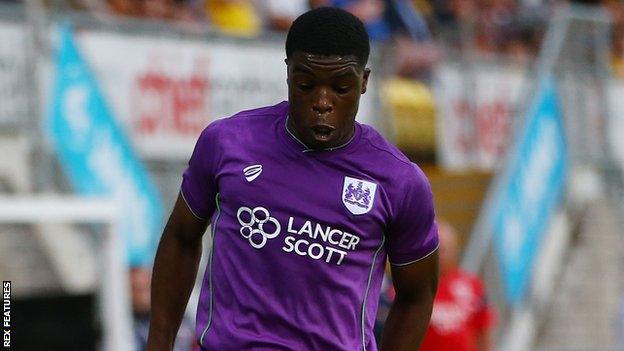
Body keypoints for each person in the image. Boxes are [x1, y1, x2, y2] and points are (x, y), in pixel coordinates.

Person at [147, 7, 439, 351]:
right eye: (305, 84)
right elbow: (181, 237)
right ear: (288, 73)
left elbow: (417, 295)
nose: (322, 102)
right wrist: (158, 344)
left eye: (341, 87)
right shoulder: (228, 142)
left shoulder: (399, 182)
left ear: (364, 81)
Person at [419, 221, 495, 351]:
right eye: (433, 250)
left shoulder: (473, 285)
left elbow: (482, 330)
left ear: (455, 250)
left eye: (443, 250)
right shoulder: (411, 289)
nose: (437, 255)